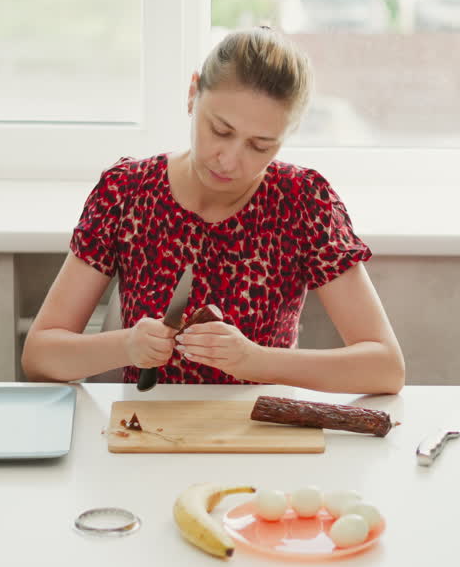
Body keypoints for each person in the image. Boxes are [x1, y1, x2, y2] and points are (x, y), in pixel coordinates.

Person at [22, 27, 404, 395]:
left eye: (260, 145)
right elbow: (40, 357)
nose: (230, 160)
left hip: (260, 435)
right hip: (146, 435)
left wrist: (256, 361)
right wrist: (125, 346)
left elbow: (385, 367)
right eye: (220, 130)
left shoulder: (303, 201)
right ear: (193, 94)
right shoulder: (126, 191)